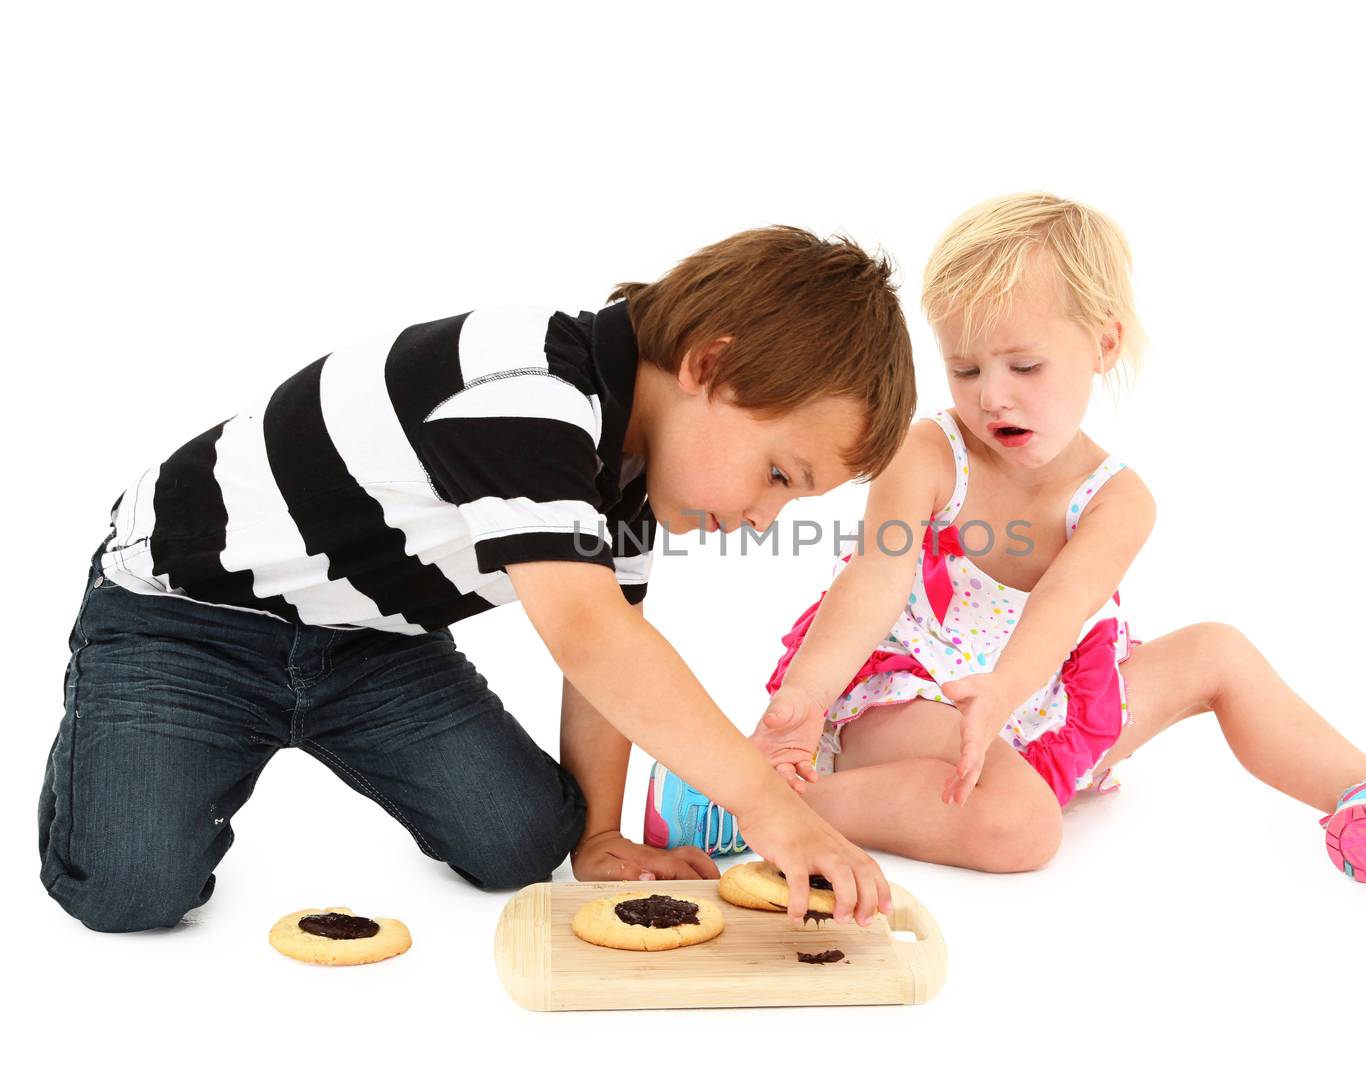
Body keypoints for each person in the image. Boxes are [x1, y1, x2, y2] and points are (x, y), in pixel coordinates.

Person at [644, 195, 1366, 893]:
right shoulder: (931, 454)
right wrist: (803, 699)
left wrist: (1006, 696)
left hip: (1034, 694)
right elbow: (875, 576)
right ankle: (747, 798)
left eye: (1024, 365)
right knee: (1019, 828)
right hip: (920, 691)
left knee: (1217, 649)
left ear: (1102, 344)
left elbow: (1064, 608)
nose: (991, 395)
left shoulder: (1119, 498)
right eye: (965, 367)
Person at [40, 226, 913, 932]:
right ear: (709, 365)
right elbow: (590, 635)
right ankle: (136, 743)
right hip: (189, 622)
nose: (766, 517)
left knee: (525, 839)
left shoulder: (637, 478)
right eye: (780, 475)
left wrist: (602, 834)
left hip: (373, 647)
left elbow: (605, 658)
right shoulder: (525, 384)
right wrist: (773, 810)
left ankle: (285, 730)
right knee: (131, 892)